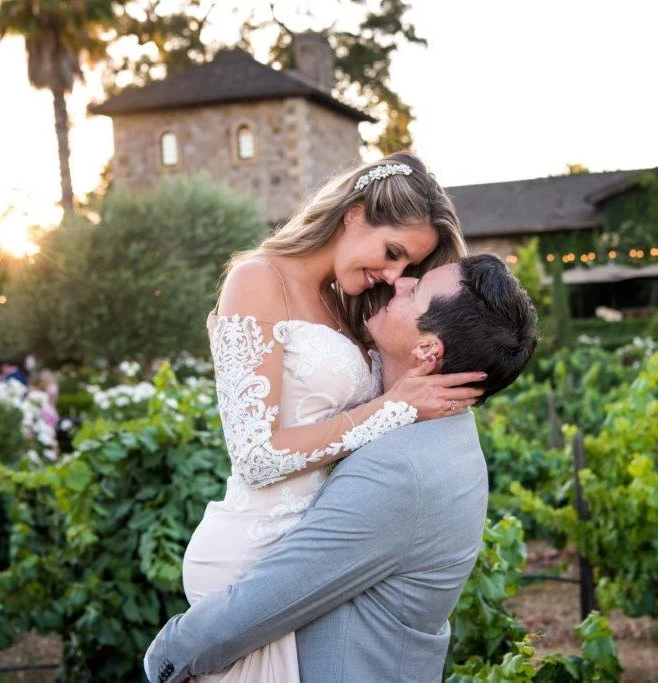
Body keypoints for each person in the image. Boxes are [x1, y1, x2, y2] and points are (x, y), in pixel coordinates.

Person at [144, 254, 538, 682]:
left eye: (417, 289)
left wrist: (168, 654)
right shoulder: (440, 433)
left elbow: (273, 595)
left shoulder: (403, 469)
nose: (401, 283)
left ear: (428, 350)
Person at [171, 152, 485, 682]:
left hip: (308, 562)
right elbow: (255, 457)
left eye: (407, 268)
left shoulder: (345, 303)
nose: (391, 275)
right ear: (355, 212)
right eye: (392, 252)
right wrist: (393, 408)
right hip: (251, 558)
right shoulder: (257, 280)